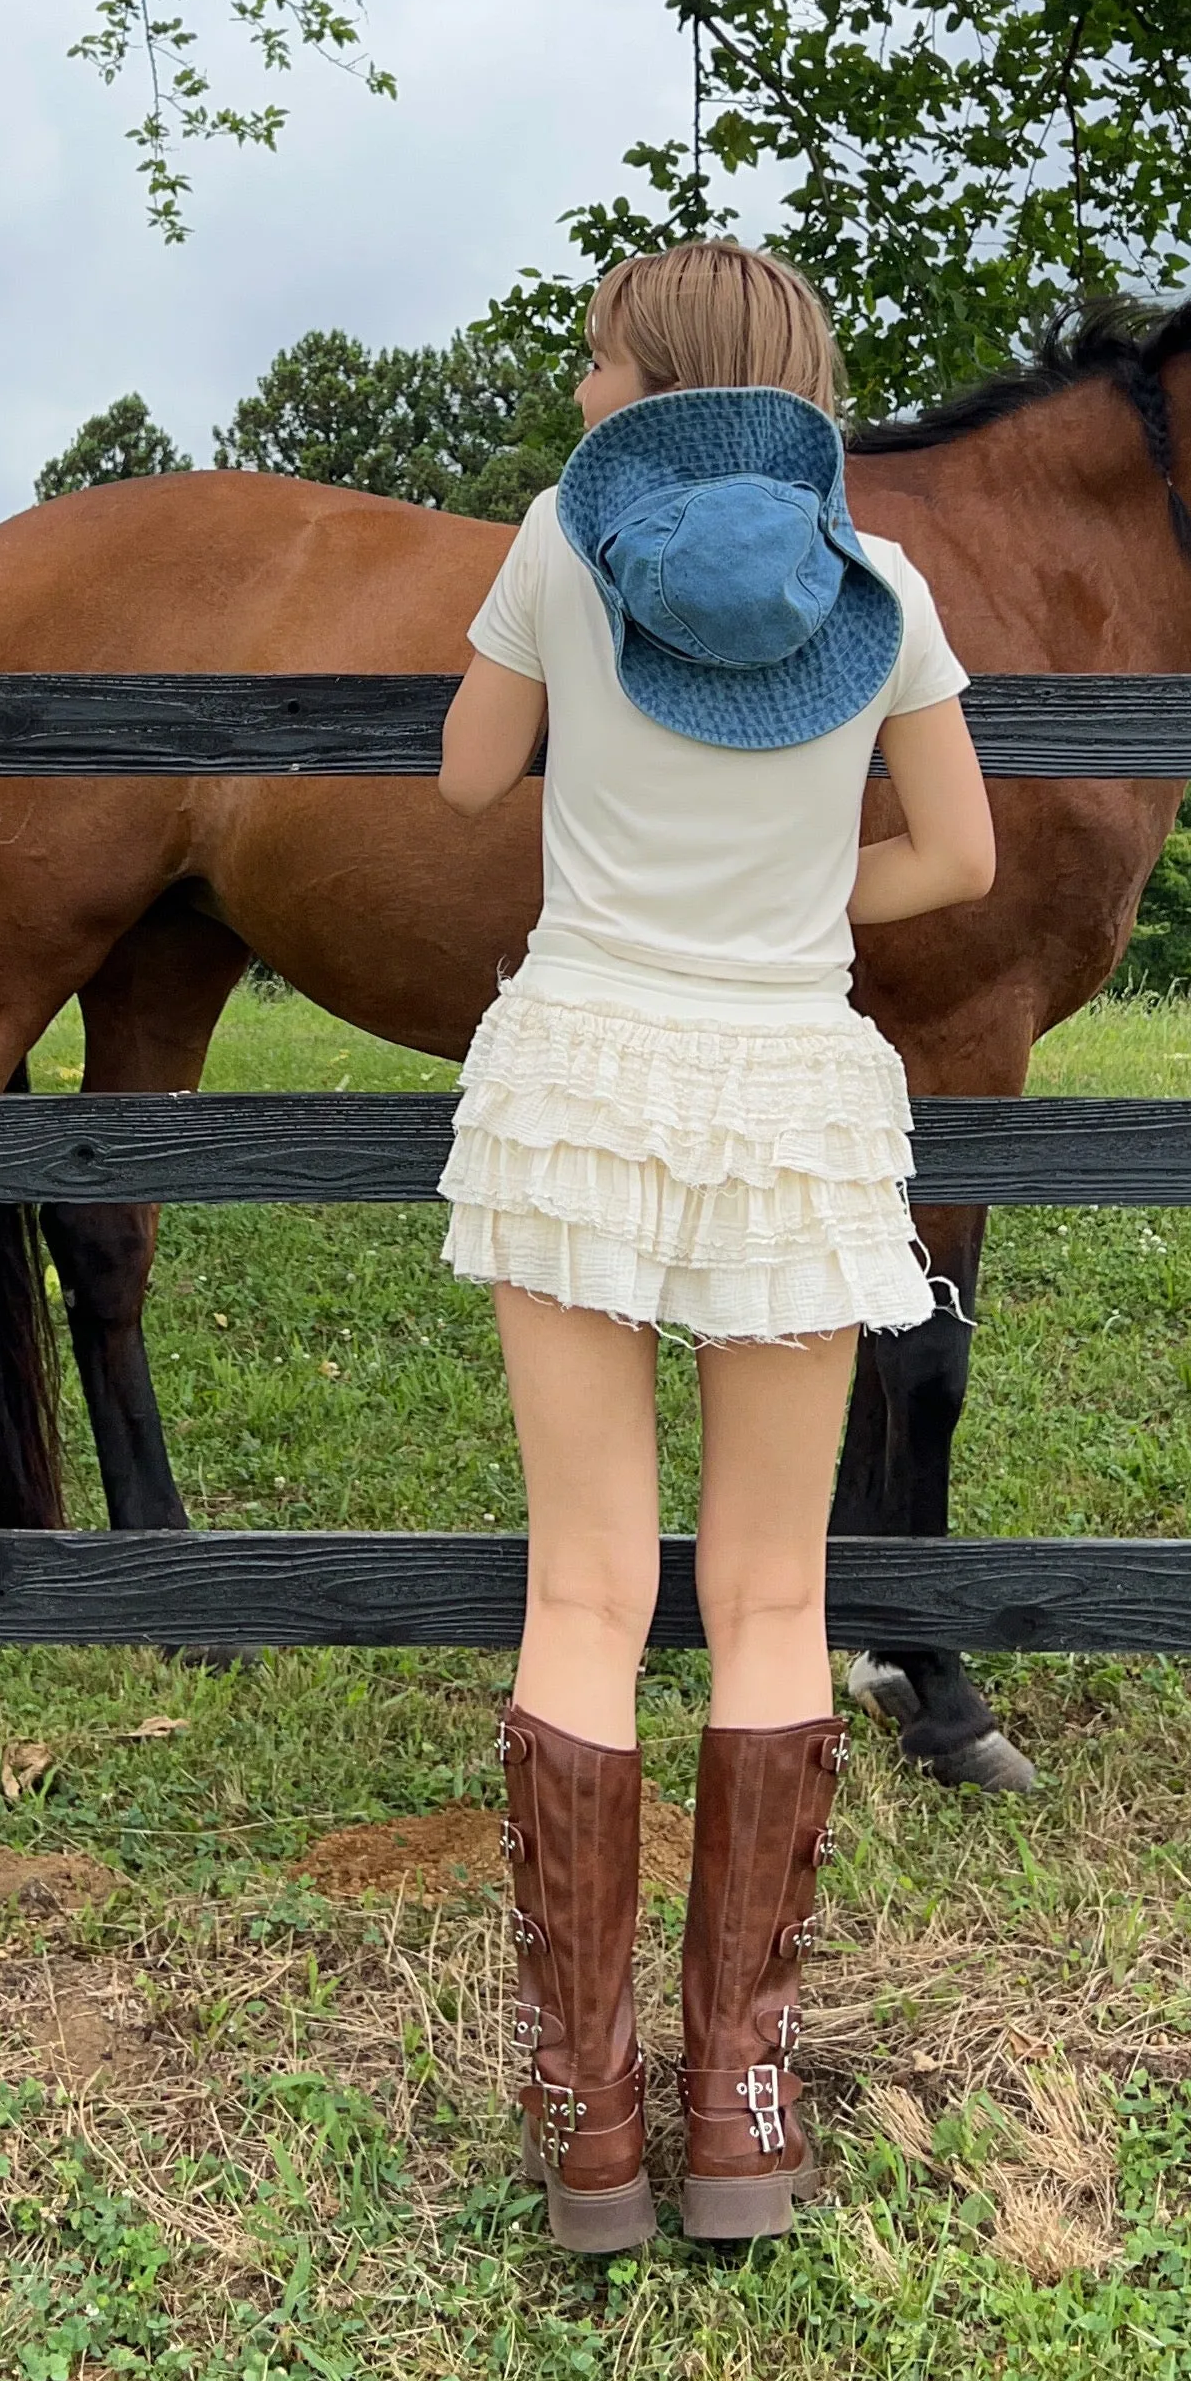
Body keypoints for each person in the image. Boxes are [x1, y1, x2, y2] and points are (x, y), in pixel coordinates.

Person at [436, 239, 995, 2251]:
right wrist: (794, 899)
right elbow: (964, 855)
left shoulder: (557, 550)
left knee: (584, 1587)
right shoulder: (879, 584)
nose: (582, 387)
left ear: (655, 379)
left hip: (579, 1067)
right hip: (790, 1085)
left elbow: (467, 771)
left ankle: (589, 2123)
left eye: (594, 356)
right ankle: (742, 2106)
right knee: (772, 1594)